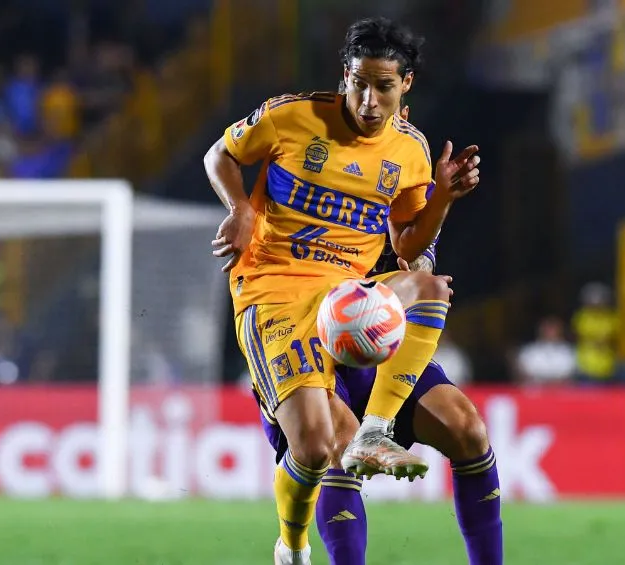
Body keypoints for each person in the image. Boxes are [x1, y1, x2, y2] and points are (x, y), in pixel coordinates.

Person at [203, 17, 481, 565]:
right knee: (312, 447)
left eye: (384, 86)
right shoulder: (290, 116)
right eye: (359, 83)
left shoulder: (411, 151)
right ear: (343, 76)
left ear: (406, 87)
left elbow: (405, 245)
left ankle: (375, 430)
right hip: (271, 290)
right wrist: (238, 209)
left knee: (427, 286)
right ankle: (292, 543)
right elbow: (221, 155)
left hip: (345, 299)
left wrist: (442, 198)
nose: (369, 100)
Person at [257, 106, 503, 565]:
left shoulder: (407, 169)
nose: (377, 110)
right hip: (305, 328)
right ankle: (295, 543)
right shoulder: (313, 150)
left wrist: (442, 199)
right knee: (334, 446)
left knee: (467, 428)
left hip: (374, 339)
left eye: (389, 94)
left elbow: (417, 262)